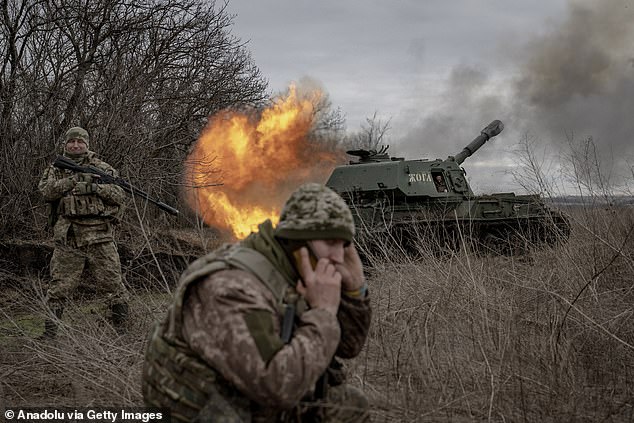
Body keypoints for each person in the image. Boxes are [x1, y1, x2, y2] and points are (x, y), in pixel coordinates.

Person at [142, 183, 372, 422]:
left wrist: (356, 289)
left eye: (344, 244)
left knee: (348, 406)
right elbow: (276, 387)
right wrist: (323, 313)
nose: (338, 256)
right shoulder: (232, 287)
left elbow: (348, 346)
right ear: (298, 242)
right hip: (206, 411)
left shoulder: (298, 270)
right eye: (330, 243)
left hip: (248, 400)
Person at [38, 126, 129, 338]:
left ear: (87, 145)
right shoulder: (55, 169)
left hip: (100, 235)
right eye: (72, 142)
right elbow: (45, 192)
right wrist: (72, 181)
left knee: (113, 283)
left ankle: (123, 331)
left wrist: (95, 188)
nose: (76, 145)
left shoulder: (101, 167)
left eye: (80, 142)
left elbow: (119, 194)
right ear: (66, 144)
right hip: (69, 236)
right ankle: (49, 335)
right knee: (59, 287)